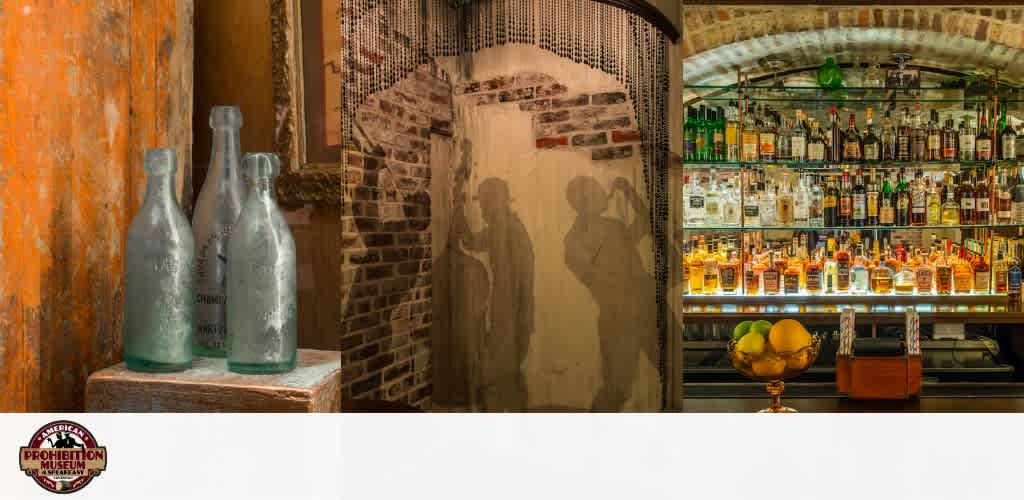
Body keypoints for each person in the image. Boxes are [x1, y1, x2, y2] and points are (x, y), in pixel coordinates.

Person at [564, 176, 656, 411]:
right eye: (596, 190)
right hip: (621, 318)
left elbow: (646, 222)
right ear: (584, 201)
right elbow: (600, 280)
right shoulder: (575, 241)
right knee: (616, 391)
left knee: (676, 368)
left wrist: (629, 192)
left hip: (643, 306)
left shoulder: (612, 227)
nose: (603, 193)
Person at [455, 177, 534, 411]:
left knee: (498, 374)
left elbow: (520, 282)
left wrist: (511, 319)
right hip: (510, 311)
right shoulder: (501, 228)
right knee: (507, 374)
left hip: (512, 312)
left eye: (485, 204)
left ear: (497, 201)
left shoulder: (511, 230)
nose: (482, 211)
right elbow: (471, 242)